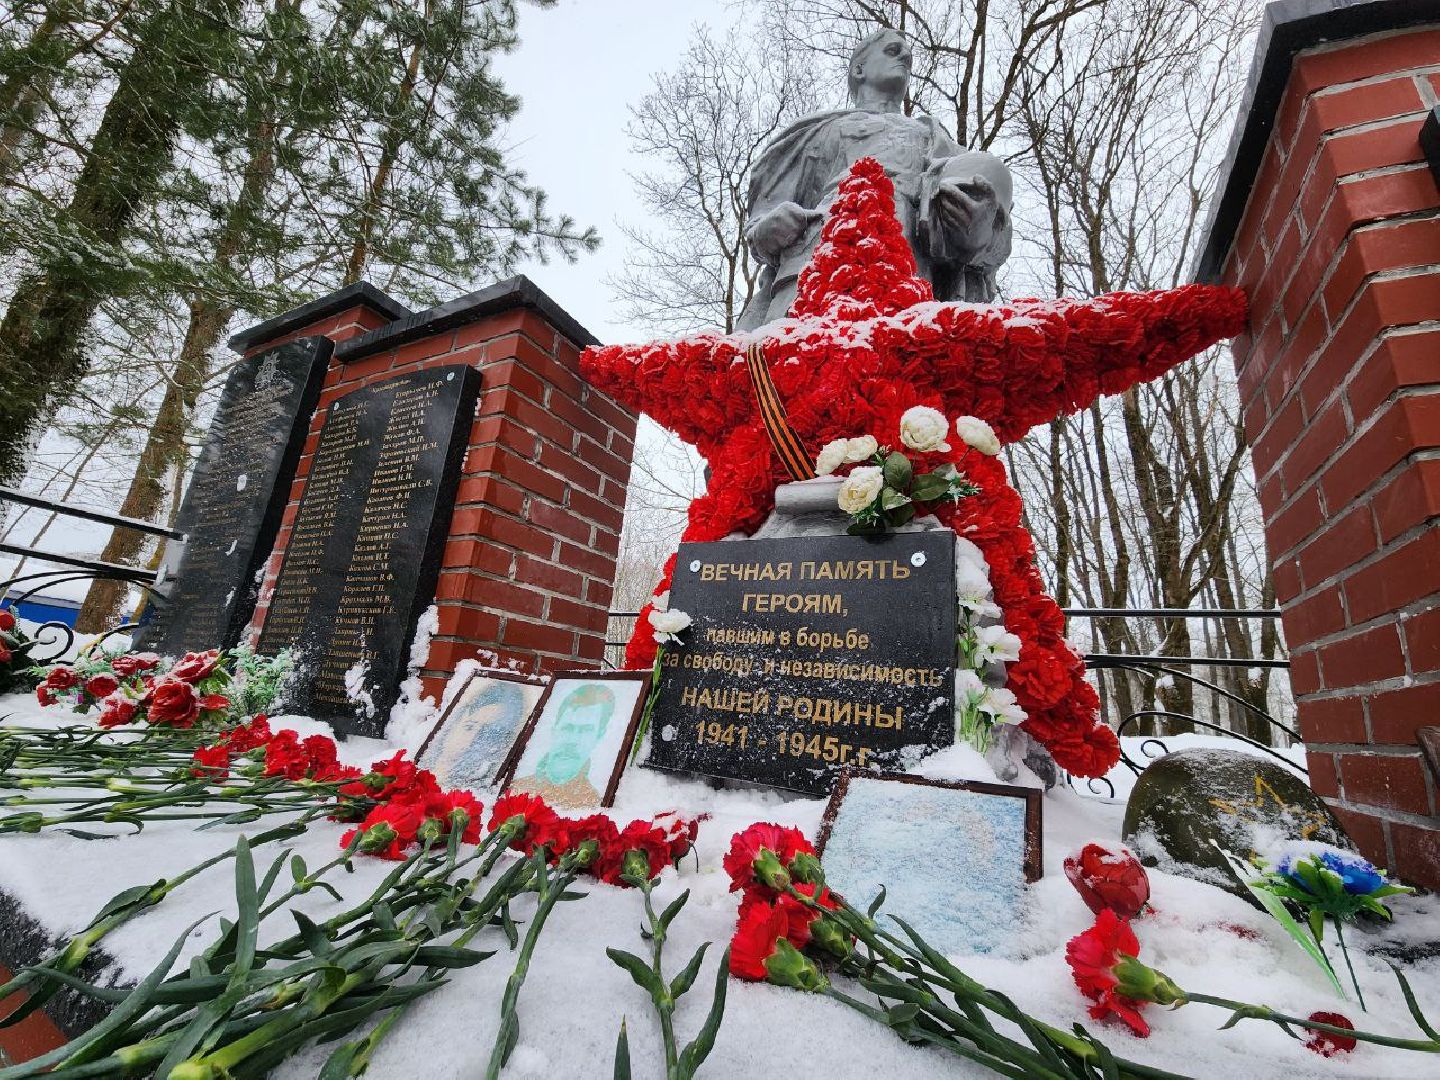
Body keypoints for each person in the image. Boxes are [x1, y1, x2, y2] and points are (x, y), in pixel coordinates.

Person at [738, 27, 1013, 329]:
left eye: (908, 56)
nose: (906, 57)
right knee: (792, 364)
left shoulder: (932, 137)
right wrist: (770, 229)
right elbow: (761, 224)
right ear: (859, 69)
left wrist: (978, 224)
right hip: (816, 266)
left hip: (907, 270)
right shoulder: (819, 132)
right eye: (894, 51)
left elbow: (978, 234)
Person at [514, 683, 616, 807]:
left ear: (599, 736)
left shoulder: (593, 804)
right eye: (567, 728)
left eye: (585, 730)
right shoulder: (516, 789)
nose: (572, 740)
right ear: (554, 729)